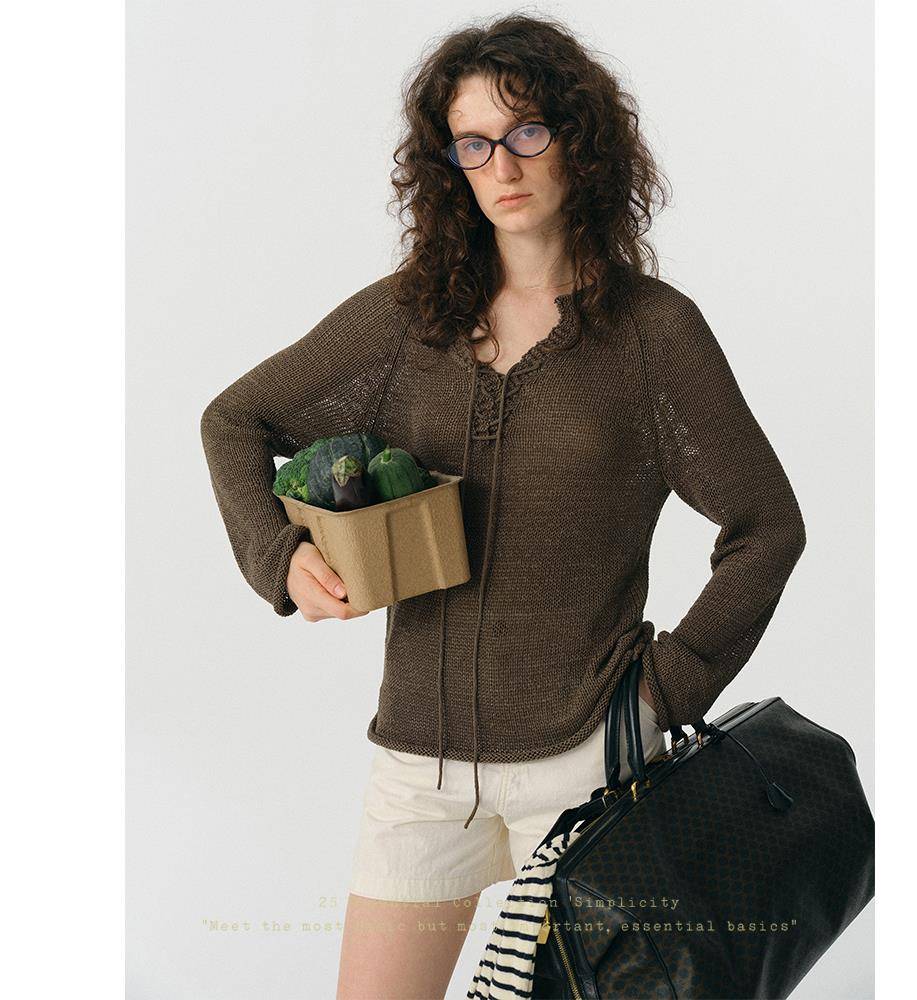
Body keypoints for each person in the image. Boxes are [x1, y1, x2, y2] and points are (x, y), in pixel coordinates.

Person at [199, 13, 807, 1000]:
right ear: (450, 166)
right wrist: (280, 556)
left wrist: (667, 689)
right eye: (473, 143)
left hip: (587, 760)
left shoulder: (653, 336)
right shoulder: (410, 320)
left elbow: (765, 526)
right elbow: (236, 418)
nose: (503, 165)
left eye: (526, 131)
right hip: (418, 766)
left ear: (579, 139)